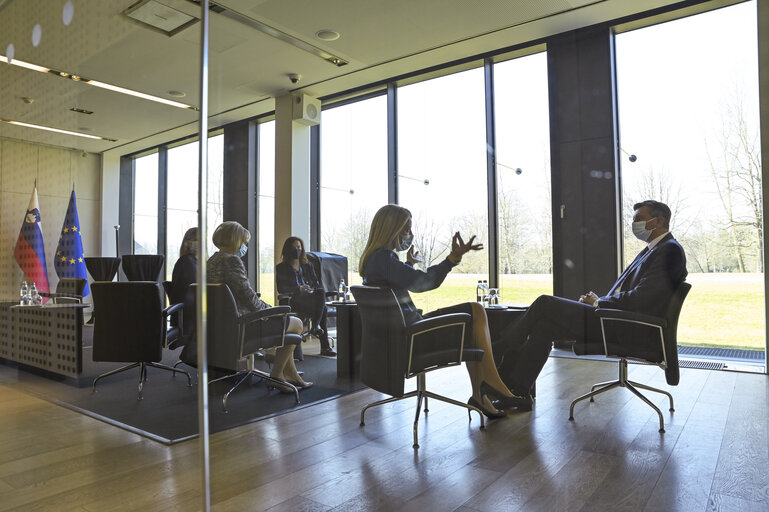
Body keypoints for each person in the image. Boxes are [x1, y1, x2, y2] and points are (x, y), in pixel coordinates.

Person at [496, 200, 688, 403]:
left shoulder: (670, 250)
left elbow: (644, 298)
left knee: (545, 303)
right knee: (544, 326)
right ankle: (517, 392)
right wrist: (599, 302)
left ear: (658, 221)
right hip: (616, 320)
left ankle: (504, 345)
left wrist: (599, 303)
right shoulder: (652, 250)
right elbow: (637, 294)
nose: (634, 224)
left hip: (627, 327)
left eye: (639, 219)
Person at [359, 204, 532, 419]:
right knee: (476, 311)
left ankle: (482, 394)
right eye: (406, 229)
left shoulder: (375, 260)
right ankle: (490, 385)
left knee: (473, 319)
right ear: (391, 229)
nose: (409, 235)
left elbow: (398, 286)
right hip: (414, 337)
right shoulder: (384, 258)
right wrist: (452, 259)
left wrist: (409, 265)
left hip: (406, 333)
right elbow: (424, 283)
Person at [208, 221, 313, 391]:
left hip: (222, 326)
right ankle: (277, 376)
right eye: (244, 242)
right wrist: (273, 310)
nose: (245, 246)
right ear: (235, 240)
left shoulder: (211, 261)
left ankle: (290, 374)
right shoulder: (232, 261)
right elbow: (250, 299)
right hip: (243, 325)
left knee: (290, 322)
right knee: (297, 323)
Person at [276, 237, 336, 357]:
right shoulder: (281, 268)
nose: (297, 250)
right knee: (322, 309)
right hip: (294, 300)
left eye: (299, 247)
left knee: (319, 292)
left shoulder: (307, 266)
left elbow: (316, 283)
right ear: (288, 250)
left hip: (310, 299)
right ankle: (323, 342)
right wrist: (298, 289)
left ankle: (315, 325)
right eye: (294, 248)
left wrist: (310, 289)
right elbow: (282, 289)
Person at [168, 227, 198, 343]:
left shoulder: (192, 262)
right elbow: (193, 292)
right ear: (188, 243)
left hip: (189, 313)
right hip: (189, 316)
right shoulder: (187, 263)